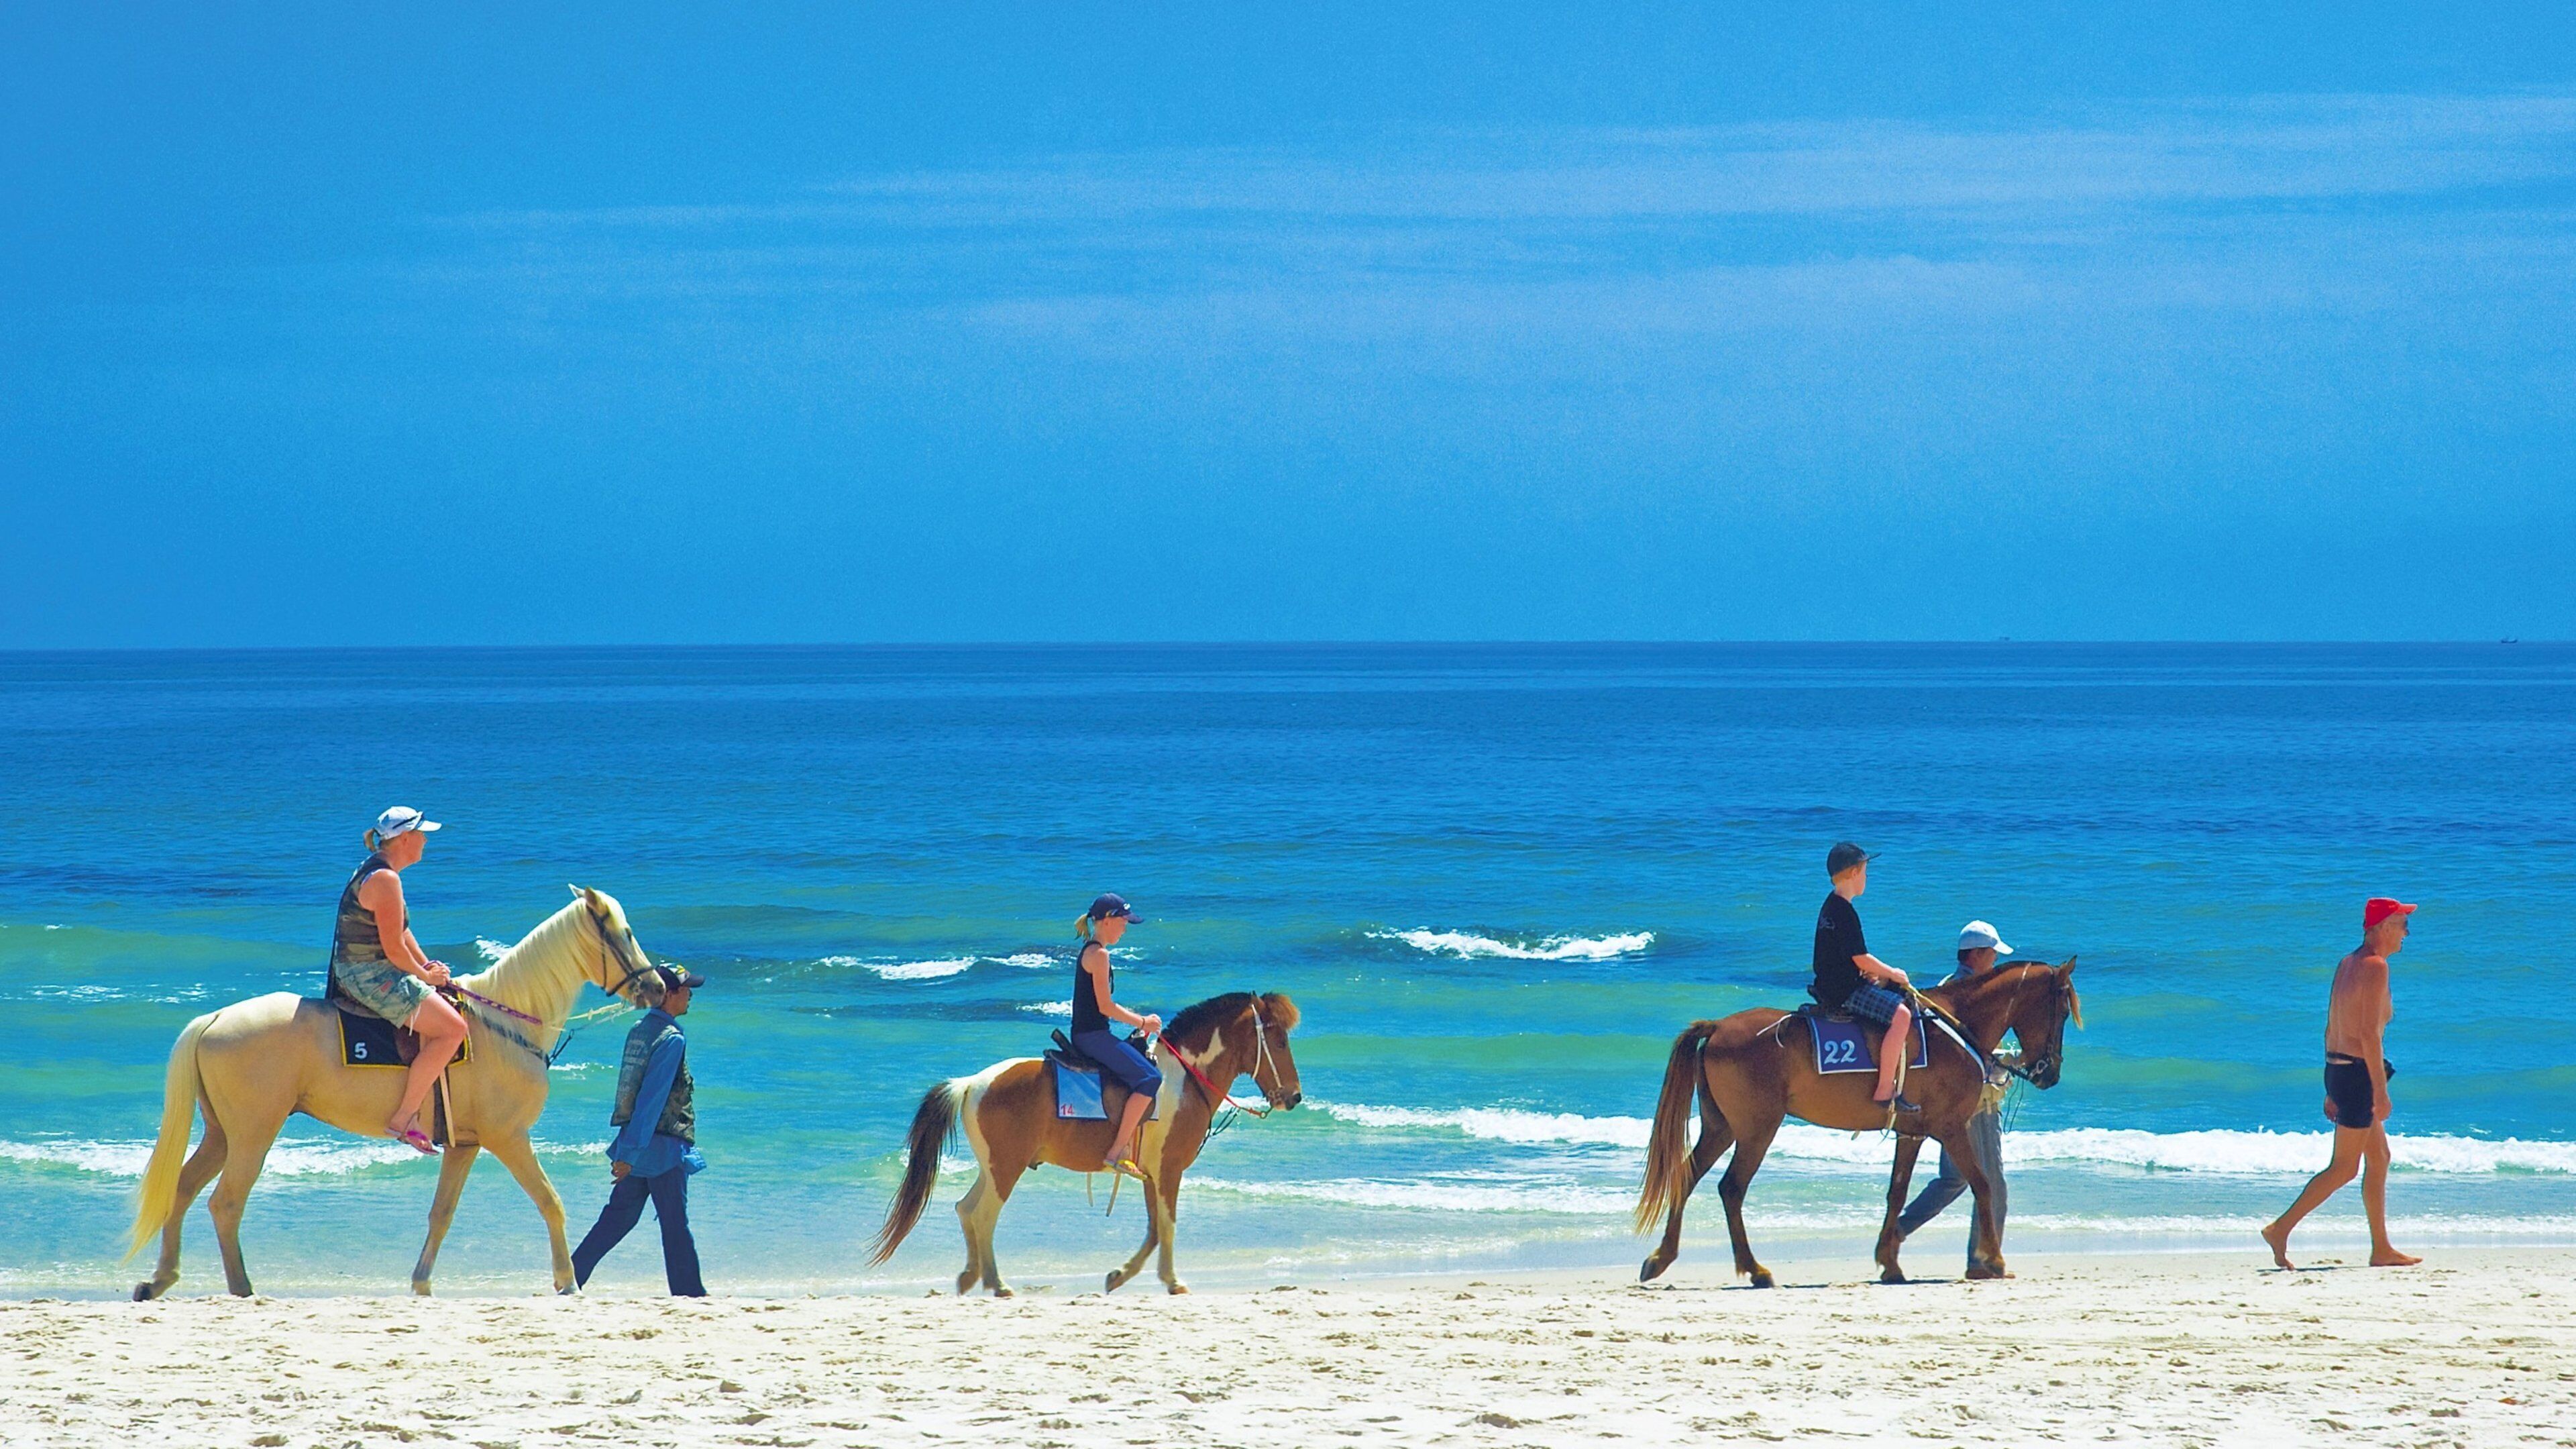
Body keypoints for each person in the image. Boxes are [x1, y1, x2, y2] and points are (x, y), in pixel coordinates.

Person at [2262, 898, 2420, 1270]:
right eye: (2401, 925)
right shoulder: (2376, 967)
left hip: (2340, 1068)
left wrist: (2331, 1084)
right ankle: (2280, 1228)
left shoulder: (2347, 963)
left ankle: (2381, 1249)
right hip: (2359, 1074)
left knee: (2379, 1158)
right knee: (2345, 1168)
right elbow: (2369, 1034)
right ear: (2383, 927)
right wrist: (2380, 1092)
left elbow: (2332, 1026)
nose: (2406, 933)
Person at [329, 806, 468, 1155]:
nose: (425, 841)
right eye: (421, 835)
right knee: (453, 1029)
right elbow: (393, 951)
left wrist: (430, 967)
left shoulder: (378, 870)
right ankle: (405, 1118)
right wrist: (424, 977)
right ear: (404, 839)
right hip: (367, 973)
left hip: (365, 966)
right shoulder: (386, 880)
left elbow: (402, 933)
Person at [570, 965, 708, 1296]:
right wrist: (629, 1156)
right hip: (661, 1150)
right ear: (670, 994)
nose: (691, 994)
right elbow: (651, 1099)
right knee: (675, 1225)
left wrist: (627, 1152)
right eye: (686, 989)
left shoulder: (639, 1030)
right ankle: (690, 1295)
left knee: (618, 1218)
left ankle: (570, 1277)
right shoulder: (671, 1038)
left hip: (637, 1144)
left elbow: (632, 1094)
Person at [1897, 920, 2017, 1269]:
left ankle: (1897, 1230)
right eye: (1992, 953)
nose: (1995, 960)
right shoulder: (1975, 995)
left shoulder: (1947, 989)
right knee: (1992, 1184)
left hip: (1952, 1100)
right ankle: (1982, 1261)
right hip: (1975, 1102)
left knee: (1954, 1179)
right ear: (1977, 954)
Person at [1811, 841, 1917, 1108]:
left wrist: (1868, 972)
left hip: (1836, 981)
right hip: (1844, 990)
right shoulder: (1844, 912)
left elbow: (1843, 954)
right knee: (1902, 1015)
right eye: (1865, 872)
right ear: (1854, 873)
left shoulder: (1831, 905)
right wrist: (1892, 973)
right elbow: (1860, 957)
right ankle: (1884, 1090)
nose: (1867, 878)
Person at [1071, 893, 1163, 1179]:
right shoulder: (1099, 955)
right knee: (1151, 1079)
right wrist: (1143, 1021)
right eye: (1124, 922)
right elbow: (1105, 1007)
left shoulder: (1092, 950)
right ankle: (1116, 1153)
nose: (1126, 928)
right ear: (1108, 921)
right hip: (1092, 1036)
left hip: (1091, 1033)